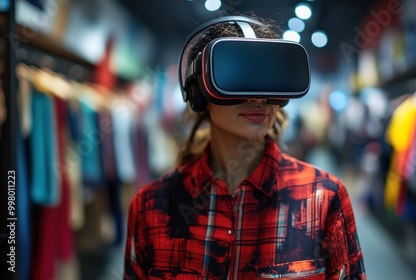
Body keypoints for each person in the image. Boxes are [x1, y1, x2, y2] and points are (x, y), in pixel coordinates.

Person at [124, 14, 365, 280]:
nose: (259, 97)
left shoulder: (323, 197)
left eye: (270, 79)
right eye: (237, 77)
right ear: (198, 91)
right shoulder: (151, 206)